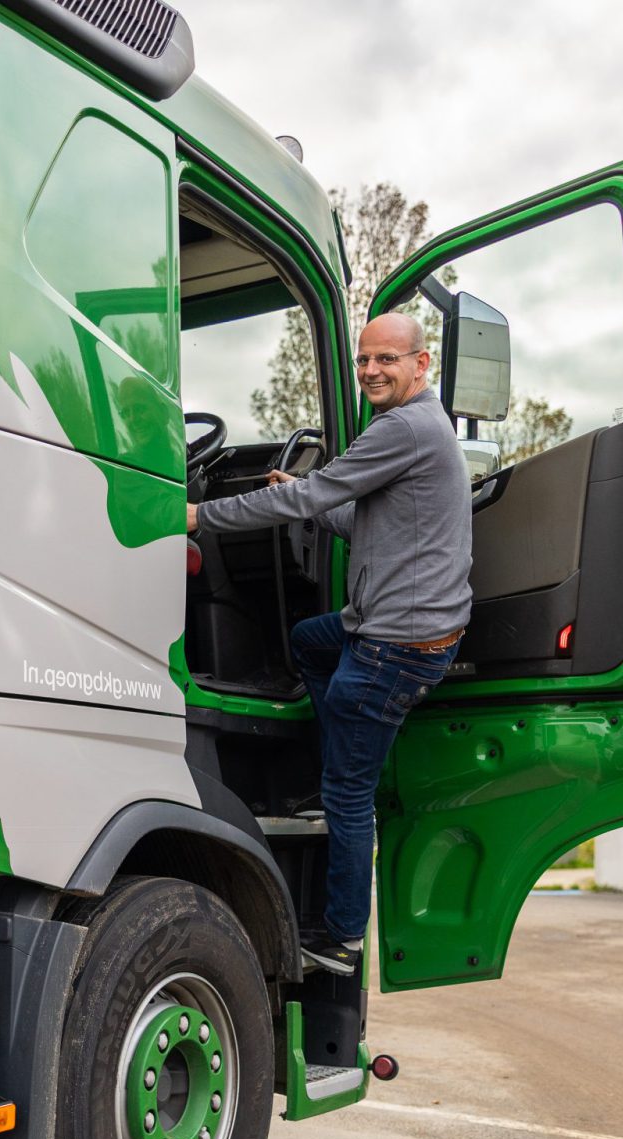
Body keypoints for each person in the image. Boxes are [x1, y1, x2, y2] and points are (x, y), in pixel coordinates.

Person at [186, 312, 472, 975]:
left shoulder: (404, 428)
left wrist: (201, 513)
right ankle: (333, 752)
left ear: (421, 364)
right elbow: (361, 521)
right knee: (310, 641)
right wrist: (307, 495)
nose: (371, 370)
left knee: (348, 794)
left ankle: (342, 939)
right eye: (364, 359)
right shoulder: (419, 428)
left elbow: (310, 500)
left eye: (387, 359)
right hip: (397, 627)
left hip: (397, 645)